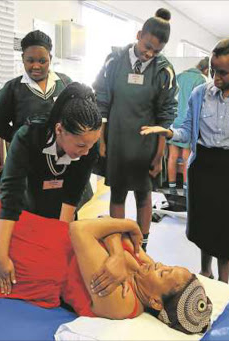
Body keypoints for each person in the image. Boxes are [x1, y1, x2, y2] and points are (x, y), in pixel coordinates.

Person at [0, 195, 213, 335]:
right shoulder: (145, 271)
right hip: (48, 233)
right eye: (169, 265)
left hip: (37, 263)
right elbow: (101, 223)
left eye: (165, 274)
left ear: (156, 303)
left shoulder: (122, 302)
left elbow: (81, 230)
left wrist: (126, 225)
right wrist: (115, 253)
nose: (159, 264)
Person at [141, 38, 229, 283]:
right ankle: (205, 271)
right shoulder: (200, 94)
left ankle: (223, 281)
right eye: (213, 70)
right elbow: (188, 132)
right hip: (203, 167)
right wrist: (168, 133)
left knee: (226, 228)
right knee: (204, 224)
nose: (216, 77)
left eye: (223, 72)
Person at [0, 82, 102, 293]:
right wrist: (0, 256)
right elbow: (11, 195)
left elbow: (72, 196)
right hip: (29, 200)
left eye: (92, 145)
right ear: (59, 130)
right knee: (29, 255)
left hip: (62, 205)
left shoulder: (88, 146)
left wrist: (59, 249)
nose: (87, 152)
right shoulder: (28, 136)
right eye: (81, 146)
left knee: (61, 261)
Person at [93, 8, 178, 251]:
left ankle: (142, 246)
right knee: (117, 193)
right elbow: (102, 100)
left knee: (143, 194)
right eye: (147, 46)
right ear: (139, 34)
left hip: (146, 145)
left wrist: (159, 155)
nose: (149, 53)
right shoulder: (114, 60)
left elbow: (166, 114)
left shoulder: (164, 70)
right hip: (117, 138)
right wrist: (102, 140)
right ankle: (118, 245)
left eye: (156, 51)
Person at [0, 30, 72, 142]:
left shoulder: (65, 83)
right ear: (23, 58)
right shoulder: (12, 89)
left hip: (60, 155)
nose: (36, 66)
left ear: (50, 58)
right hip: (25, 157)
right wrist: (19, 141)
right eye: (30, 60)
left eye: (42, 61)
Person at [167, 57, 209, 193]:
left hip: (174, 122)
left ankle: (171, 188)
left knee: (172, 156)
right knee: (187, 158)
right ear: (207, 70)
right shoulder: (201, 80)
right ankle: (186, 190)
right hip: (188, 124)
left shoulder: (179, 76)